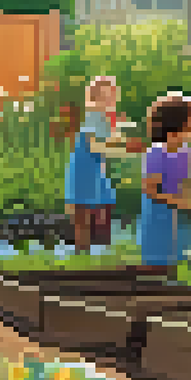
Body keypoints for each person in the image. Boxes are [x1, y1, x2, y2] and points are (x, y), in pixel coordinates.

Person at [138, 93, 191, 275]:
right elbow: (150, 190)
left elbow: (186, 182)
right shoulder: (156, 152)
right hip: (159, 214)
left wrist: (190, 204)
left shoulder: (186, 151)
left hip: (180, 214)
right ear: (178, 124)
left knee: (181, 256)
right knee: (159, 260)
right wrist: (178, 202)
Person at [64, 76, 126, 255]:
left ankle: (91, 252)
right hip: (85, 171)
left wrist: (119, 138)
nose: (108, 101)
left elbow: (108, 141)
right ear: (94, 98)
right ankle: (82, 252)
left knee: (96, 210)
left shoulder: (103, 118)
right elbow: (94, 146)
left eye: (111, 97)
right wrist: (122, 150)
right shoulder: (94, 116)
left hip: (95, 170)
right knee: (83, 213)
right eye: (104, 97)